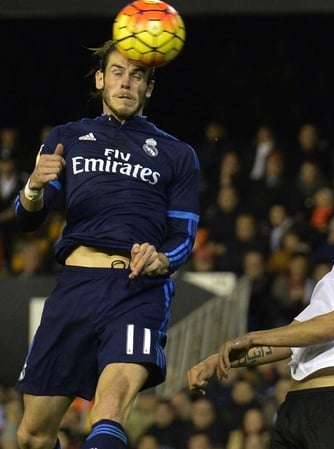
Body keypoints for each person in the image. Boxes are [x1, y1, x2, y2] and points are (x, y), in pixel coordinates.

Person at [13, 40, 200, 449]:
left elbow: (184, 238)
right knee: (31, 435)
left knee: (110, 406)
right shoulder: (67, 138)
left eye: (137, 76)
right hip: (75, 288)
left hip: (137, 290)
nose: (126, 82)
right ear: (100, 79)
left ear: (149, 88)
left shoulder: (177, 154)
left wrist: (161, 259)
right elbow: (27, 218)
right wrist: (33, 186)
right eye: (117, 72)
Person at [187, 170, 334, 448]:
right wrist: (219, 359)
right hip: (293, 412)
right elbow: (295, 337)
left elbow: (333, 325)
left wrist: (253, 336)